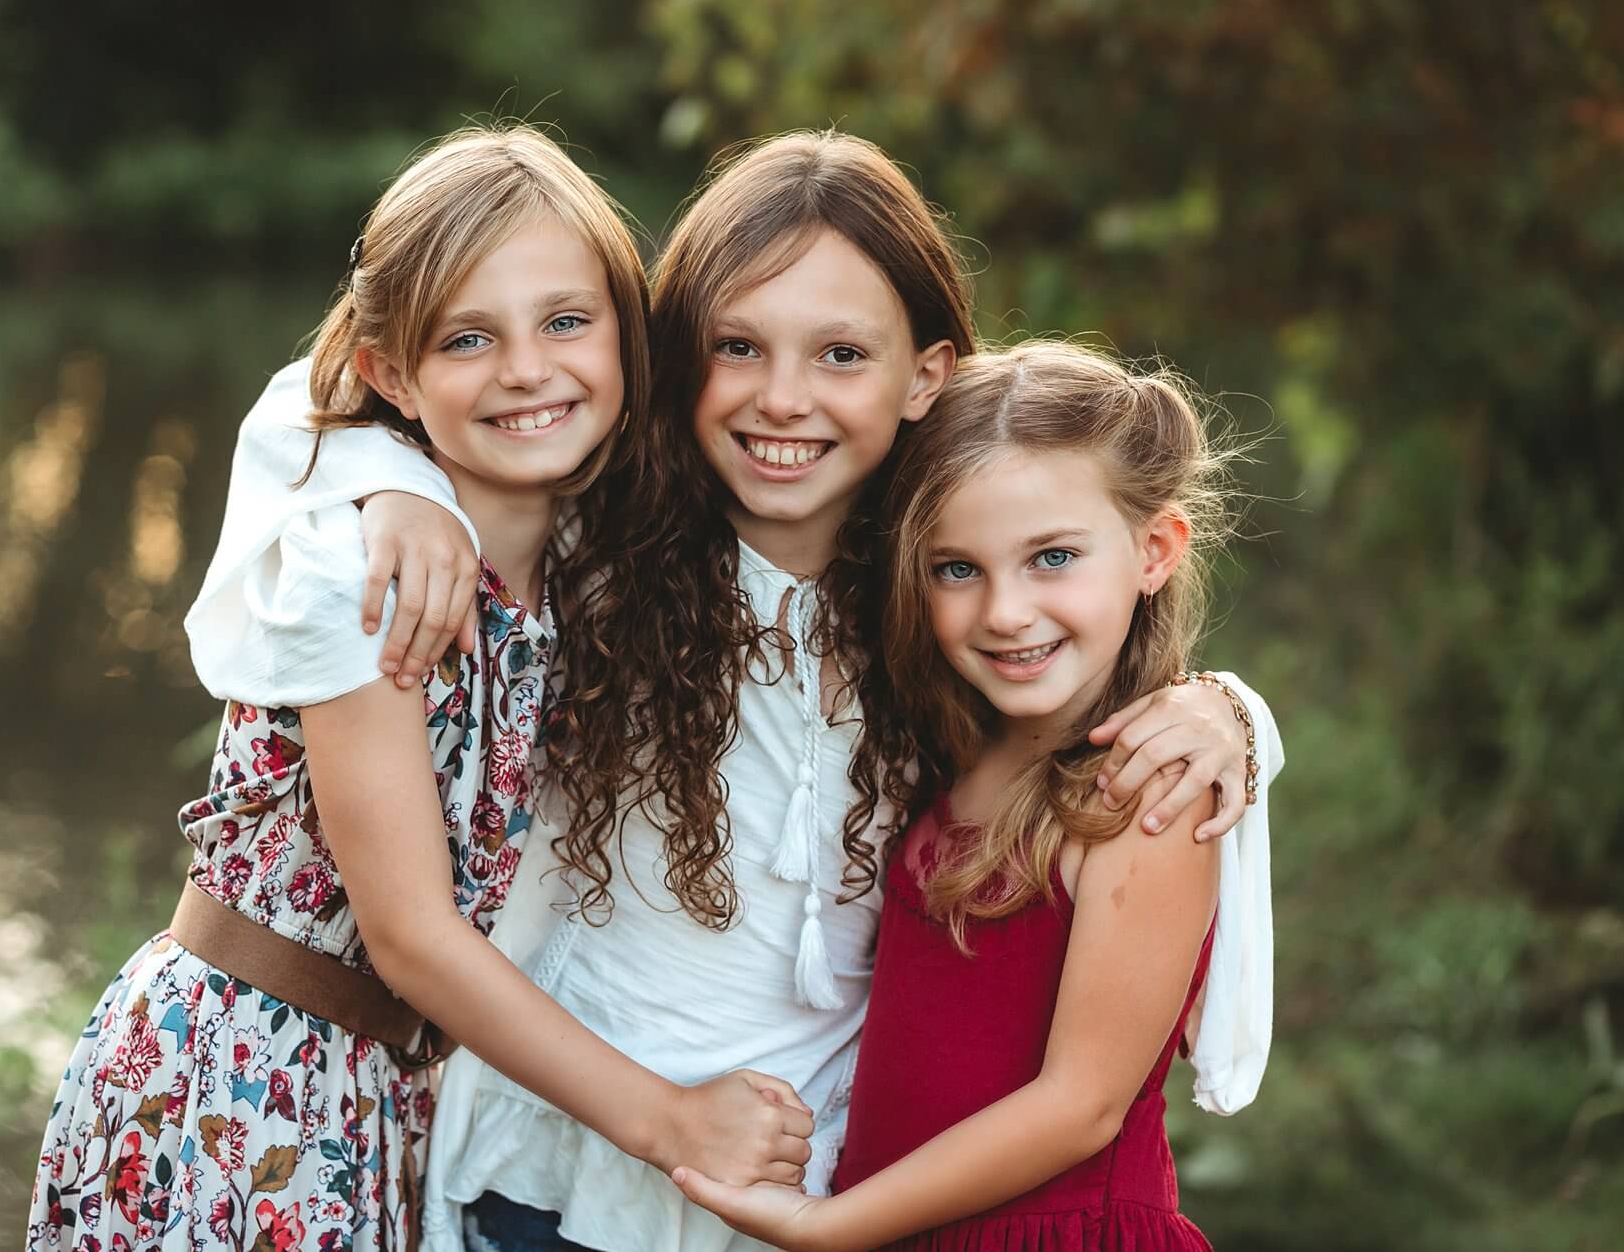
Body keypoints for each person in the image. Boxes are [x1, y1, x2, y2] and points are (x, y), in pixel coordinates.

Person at [297, 132, 1279, 1252]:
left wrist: (1233, 715)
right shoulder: (592, 539)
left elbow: (1088, 625)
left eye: (840, 356)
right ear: (675, 356)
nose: (782, 400)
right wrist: (385, 479)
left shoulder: (940, 584)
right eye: (736, 347)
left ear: (926, 376)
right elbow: (321, 399)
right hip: (568, 1176)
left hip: (821, 1188)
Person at [25, 126, 813, 1252]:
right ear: (394, 373)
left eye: (566, 322)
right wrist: (669, 1121)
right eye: (468, 338)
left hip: (384, 1093)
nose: (528, 370)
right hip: (236, 1085)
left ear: (628, 339)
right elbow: (408, 937)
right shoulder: (356, 566)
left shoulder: (588, 554)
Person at [675, 342, 1255, 1250]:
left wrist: (833, 1225)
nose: (1005, 612)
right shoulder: (951, 746)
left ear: (1154, 551)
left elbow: (1081, 1105)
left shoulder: (1149, 794)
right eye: (957, 569)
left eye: (1052, 557)